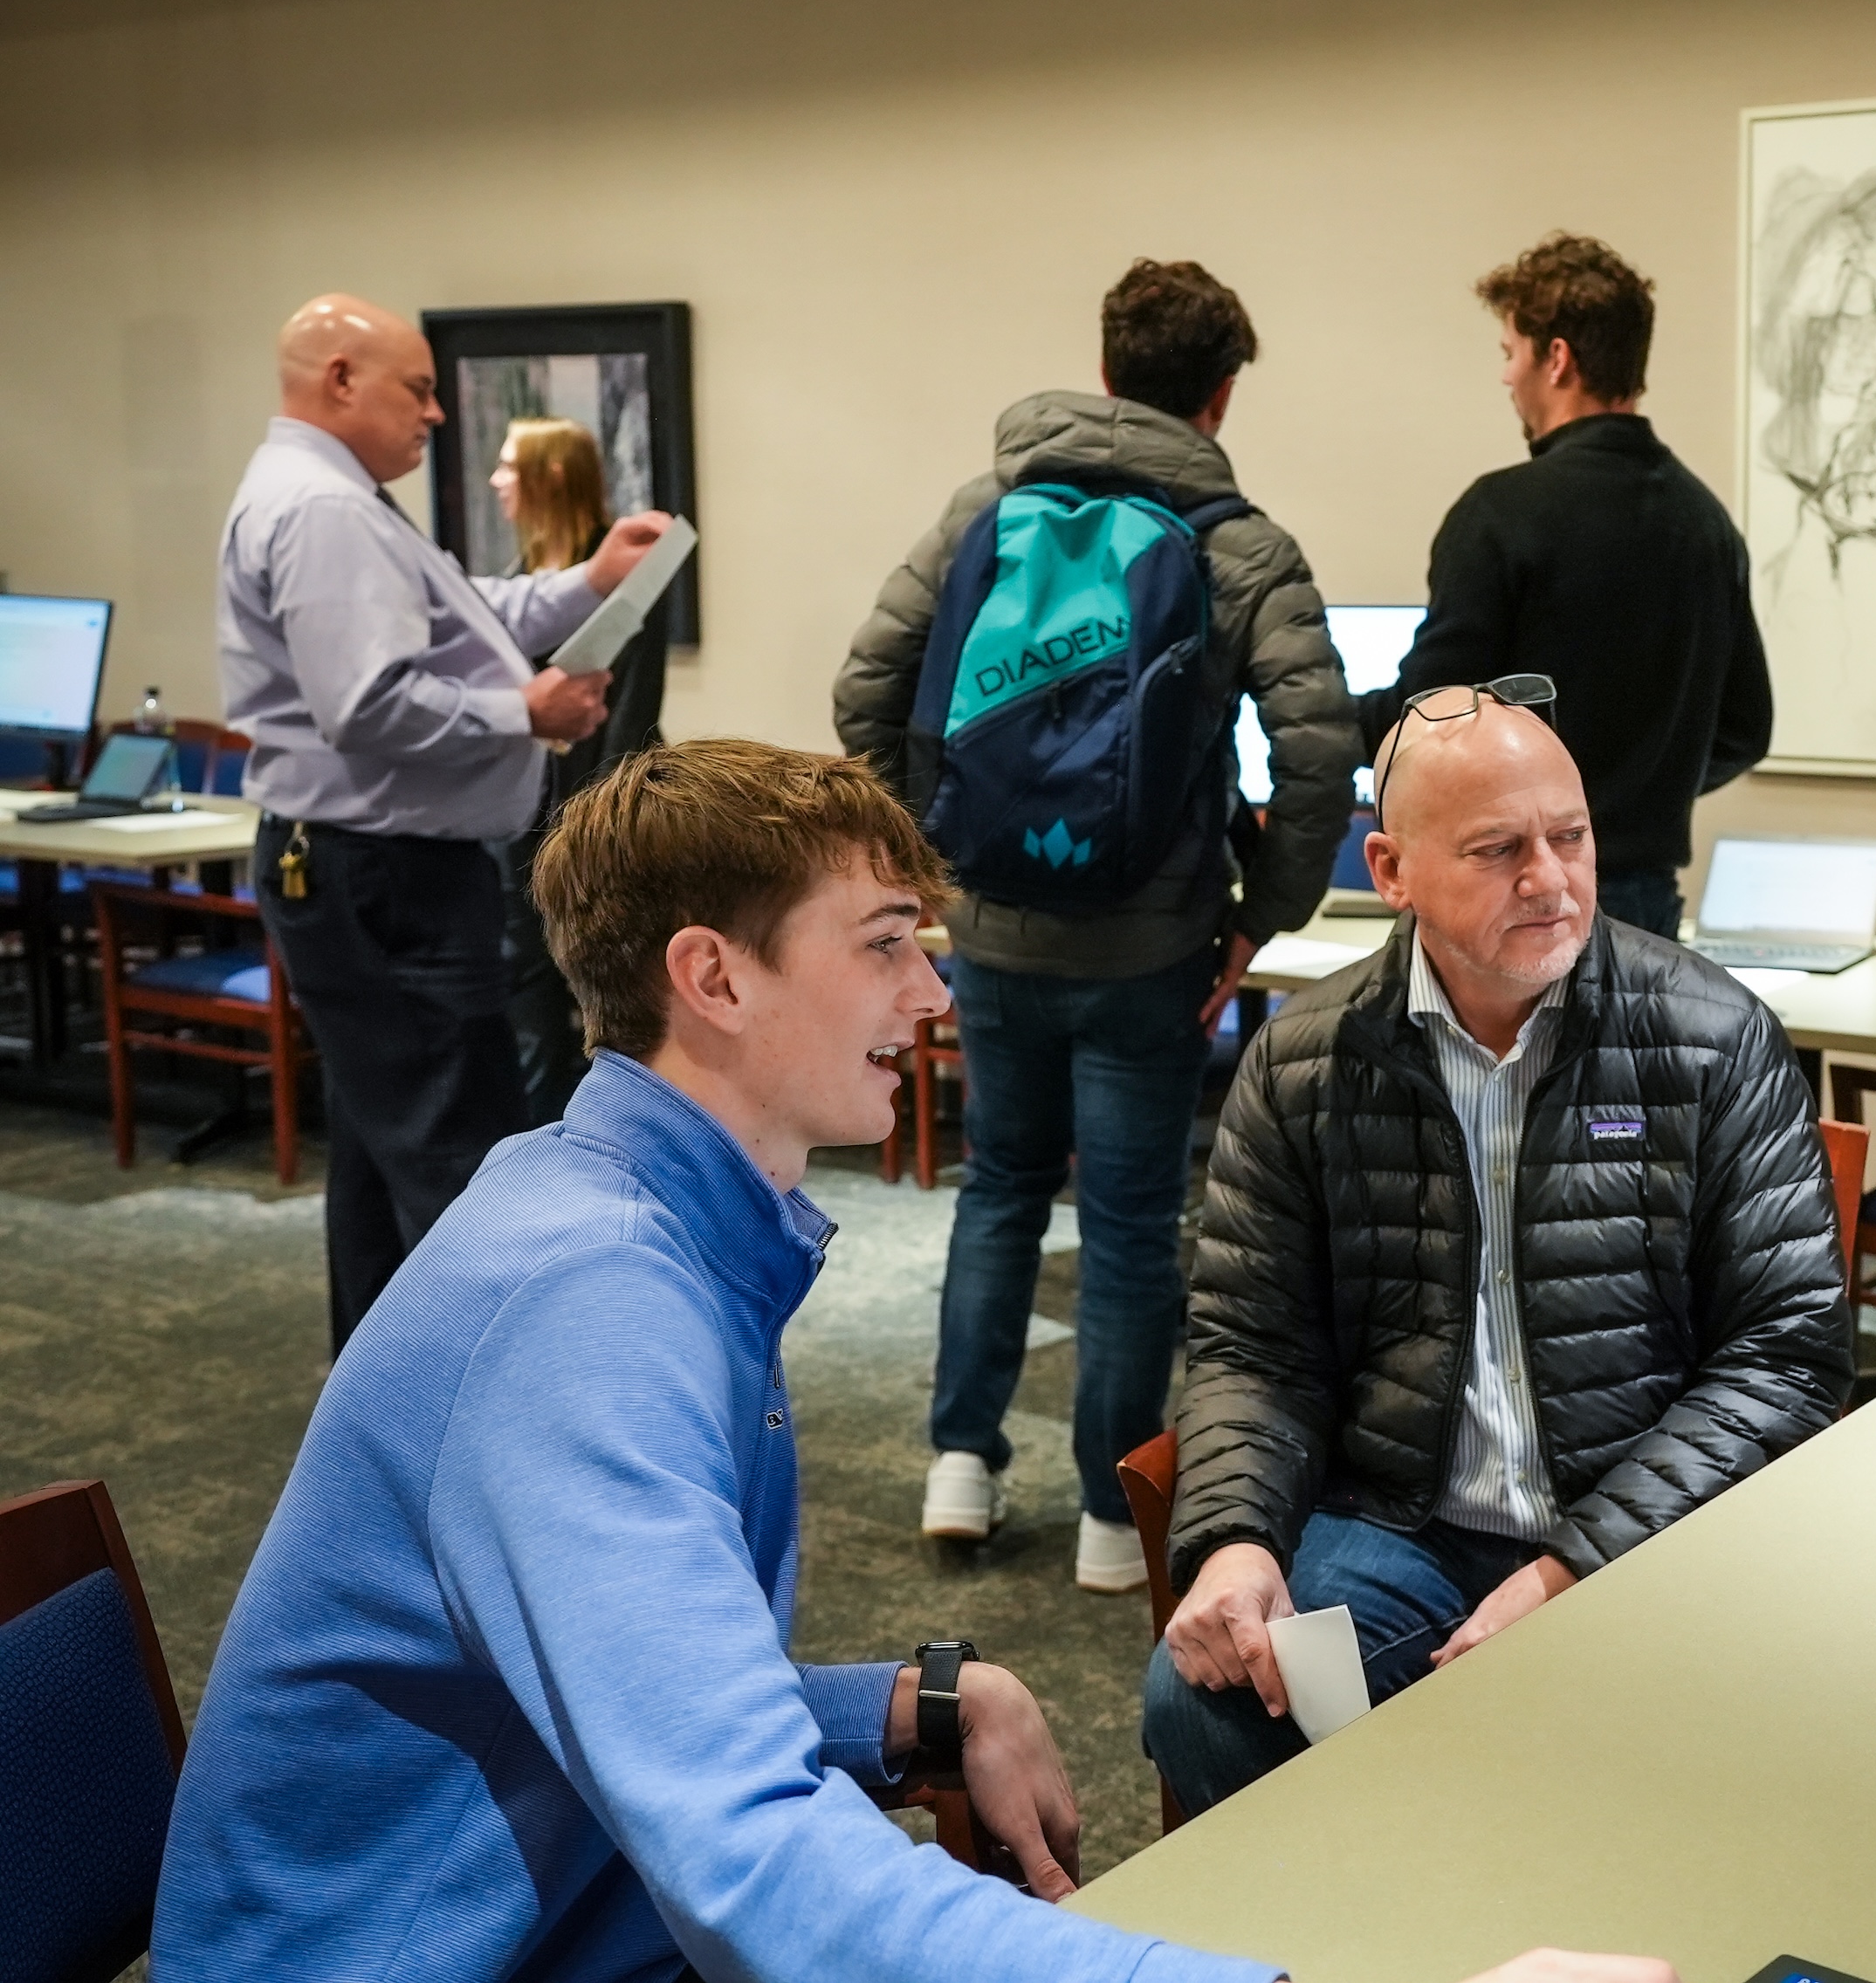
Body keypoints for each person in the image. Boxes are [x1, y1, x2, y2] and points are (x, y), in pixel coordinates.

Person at [152, 737, 1670, 1983]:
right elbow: (752, 1852)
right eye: (884, 947)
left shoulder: (626, 1225)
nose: (933, 997)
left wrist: (910, 1704)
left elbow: (624, 1690)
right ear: (715, 975)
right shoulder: (591, 1310)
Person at [1141, 687, 1851, 1815]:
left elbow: (1786, 1354)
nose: (1552, 878)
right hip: (1404, 1522)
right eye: (1498, 848)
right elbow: (1253, 1343)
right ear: (1391, 867)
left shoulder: (1714, 1039)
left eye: (1569, 835)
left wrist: (1576, 1563)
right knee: (1200, 1706)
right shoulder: (1303, 1063)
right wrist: (1233, 1536)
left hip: (1648, 1519)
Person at [833, 259, 1363, 1590]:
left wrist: (935, 860)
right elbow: (1319, 754)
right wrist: (1259, 917)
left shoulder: (986, 509)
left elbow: (863, 691)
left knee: (997, 1192)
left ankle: (960, 1466)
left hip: (999, 941)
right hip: (1152, 950)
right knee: (1129, 1225)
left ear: (1110, 367)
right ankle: (1111, 1520)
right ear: (1221, 391)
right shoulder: (1243, 544)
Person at [216, 293, 671, 1352]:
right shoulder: (325, 508)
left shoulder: (332, 496)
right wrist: (530, 711)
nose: (434, 415)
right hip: (386, 875)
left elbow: (464, 617)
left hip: (365, 867)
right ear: (339, 380)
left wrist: (590, 582)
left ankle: (383, 1404)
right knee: (458, 1156)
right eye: (418, 390)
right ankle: (486, 1417)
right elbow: (368, 705)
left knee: (384, 1156)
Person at [1359, 235, 1772, 940]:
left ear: (1557, 359)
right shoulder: (1707, 524)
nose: (1505, 377)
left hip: (1514, 900)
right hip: (1646, 908)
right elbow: (1744, 729)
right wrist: (1641, 795)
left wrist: (1319, 717)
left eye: (1509, 353)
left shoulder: (1500, 514)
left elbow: (1427, 719)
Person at [490, 415, 670, 1124]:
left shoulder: (627, 579)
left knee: (610, 1004)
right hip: (517, 822)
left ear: (551, 474)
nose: (498, 480)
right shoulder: (516, 582)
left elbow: (632, 726)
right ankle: (532, 1160)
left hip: (594, 831)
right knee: (528, 1003)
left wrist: (592, 832)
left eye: (510, 464)